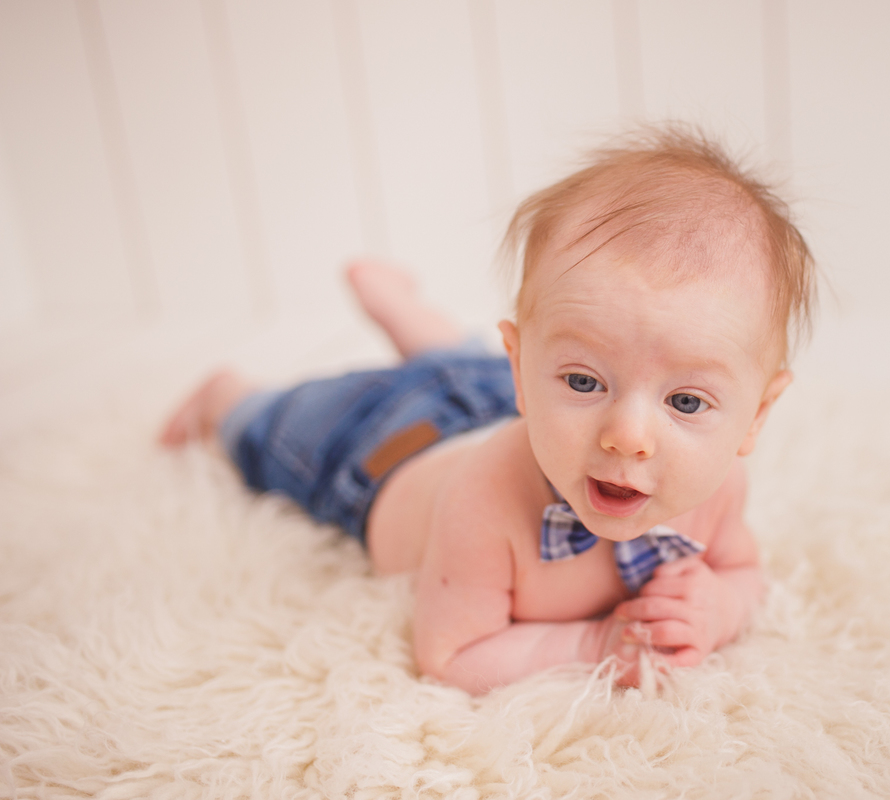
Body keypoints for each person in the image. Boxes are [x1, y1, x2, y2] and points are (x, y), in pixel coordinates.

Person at [160, 126, 815, 695]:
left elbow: (742, 571)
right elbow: (449, 656)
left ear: (755, 416)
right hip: (380, 449)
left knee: (467, 371)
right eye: (585, 382)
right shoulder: (486, 502)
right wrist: (589, 648)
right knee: (273, 430)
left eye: (686, 401)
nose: (628, 437)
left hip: (511, 404)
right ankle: (227, 395)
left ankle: (406, 314)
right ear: (523, 365)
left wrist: (720, 605)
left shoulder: (716, 484)